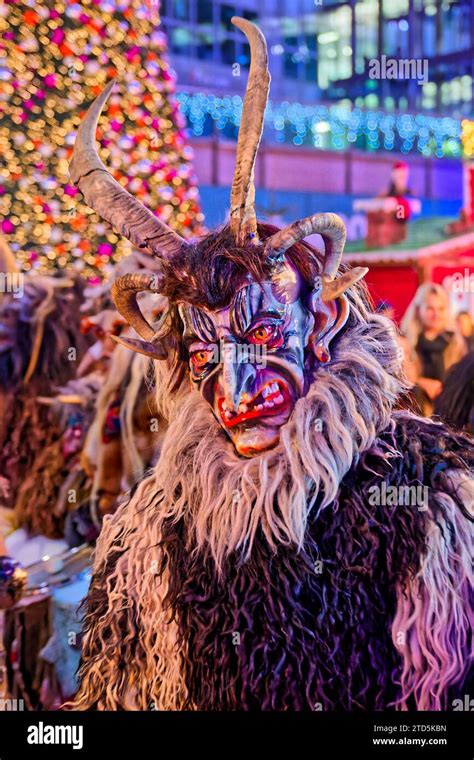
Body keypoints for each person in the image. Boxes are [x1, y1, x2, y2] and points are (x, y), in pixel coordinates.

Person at [68, 18, 473, 711]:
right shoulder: (152, 532)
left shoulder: (435, 505)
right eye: (204, 351)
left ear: (319, 323)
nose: (235, 386)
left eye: (260, 334)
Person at [401, 283, 467, 415]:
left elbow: (464, 381)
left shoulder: (456, 342)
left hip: (451, 414)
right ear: (419, 310)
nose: (436, 314)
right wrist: (421, 383)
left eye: (441, 309)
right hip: (416, 414)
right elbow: (398, 381)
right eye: (430, 308)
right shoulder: (404, 342)